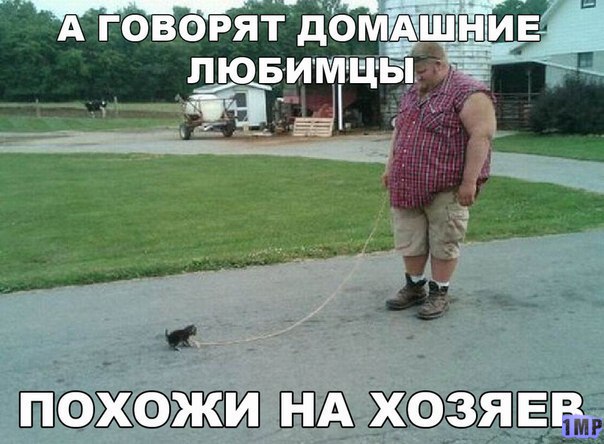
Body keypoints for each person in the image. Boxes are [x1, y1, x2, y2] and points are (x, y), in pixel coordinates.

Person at [382, 42, 497, 320]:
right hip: (407, 183)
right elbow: (400, 131)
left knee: (444, 240)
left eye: (421, 71)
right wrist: (389, 166)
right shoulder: (413, 92)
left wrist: (469, 182)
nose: (417, 77)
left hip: (446, 187)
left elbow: (481, 136)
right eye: (414, 72)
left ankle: (439, 292)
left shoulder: (469, 92)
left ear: (439, 65)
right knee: (410, 238)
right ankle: (414, 287)